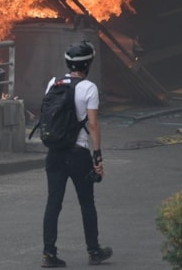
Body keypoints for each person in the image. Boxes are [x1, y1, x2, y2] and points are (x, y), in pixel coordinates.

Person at [41, 40, 113, 267]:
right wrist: (98, 156)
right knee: (87, 203)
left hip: (54, 153)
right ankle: (94, 251)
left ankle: (48, 254)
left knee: (53, 203)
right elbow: (93, 125)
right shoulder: (89, 88)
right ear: (88, 64)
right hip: (78, 153)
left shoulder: (54, 82)